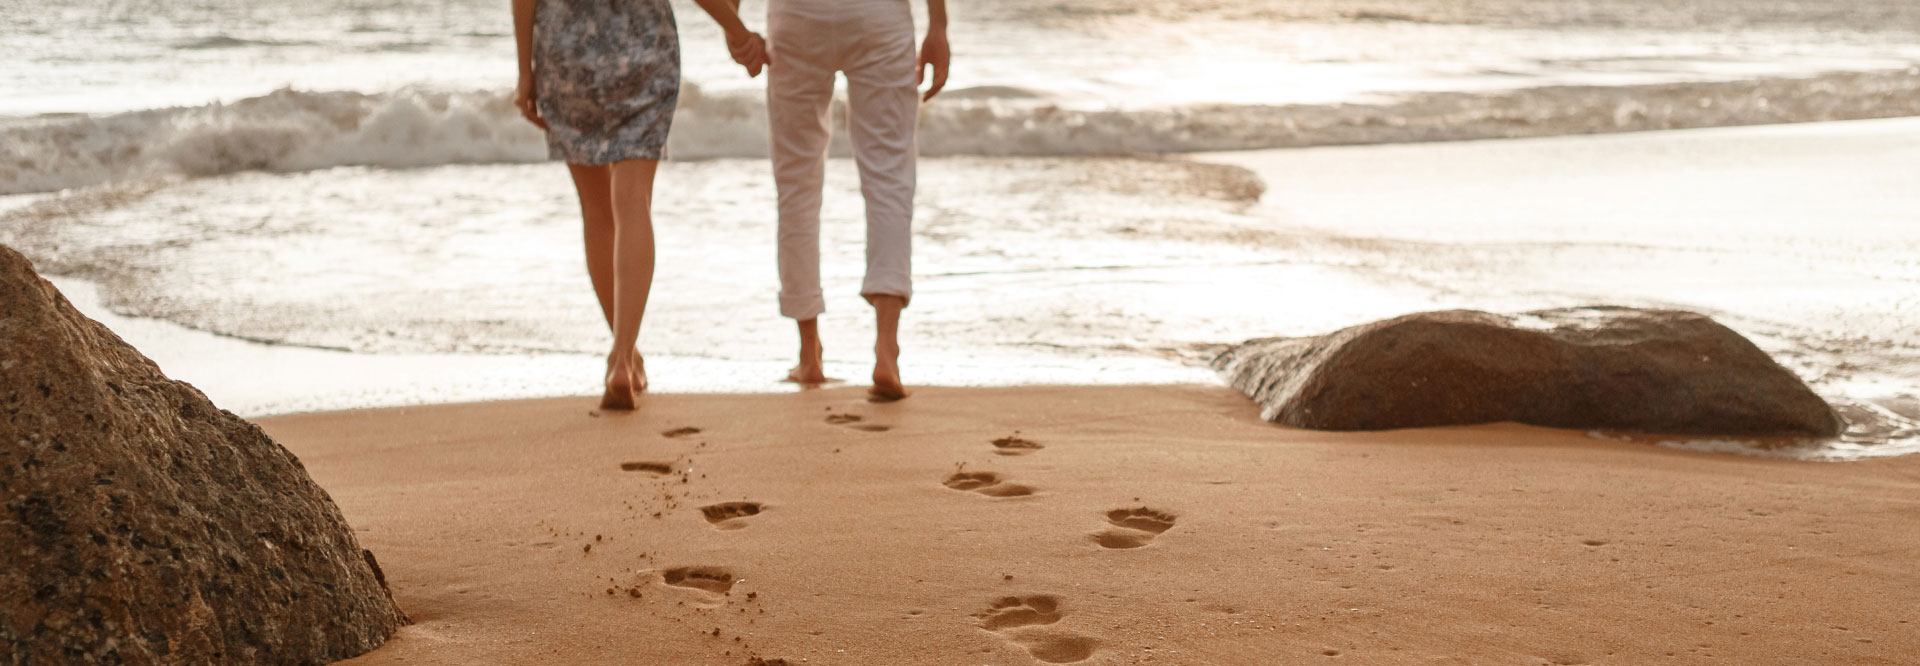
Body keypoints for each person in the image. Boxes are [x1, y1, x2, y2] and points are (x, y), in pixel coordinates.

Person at [511, 0, 769, 410]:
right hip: (643, 50)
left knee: (596, 214)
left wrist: (525, 72)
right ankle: (622, 354)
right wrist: (738, 31)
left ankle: (625, 356)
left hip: (566, 52)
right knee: (632, 201)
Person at [764, 0, 948, 401]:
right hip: (878, 16)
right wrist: (938, 24)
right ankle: (886, 349)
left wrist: (732, 22)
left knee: (797, 181)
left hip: (798, 17)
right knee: (890, 176)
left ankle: (809, 352)